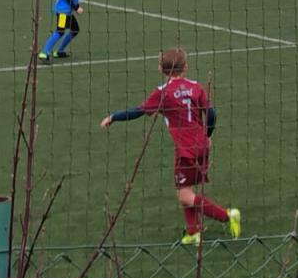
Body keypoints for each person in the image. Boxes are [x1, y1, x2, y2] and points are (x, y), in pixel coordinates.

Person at [99, 47, 241, 246]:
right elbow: (211, 114)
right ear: (186, 67)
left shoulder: (163, 93)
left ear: (160, 68)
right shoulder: (196, 87)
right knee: (184, 189)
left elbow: (138, 111)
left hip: (186, 150)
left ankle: (227, 216)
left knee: (184, 194)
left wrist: (113, 117)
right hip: (201, 145)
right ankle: (193, 232)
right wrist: (207, 135)